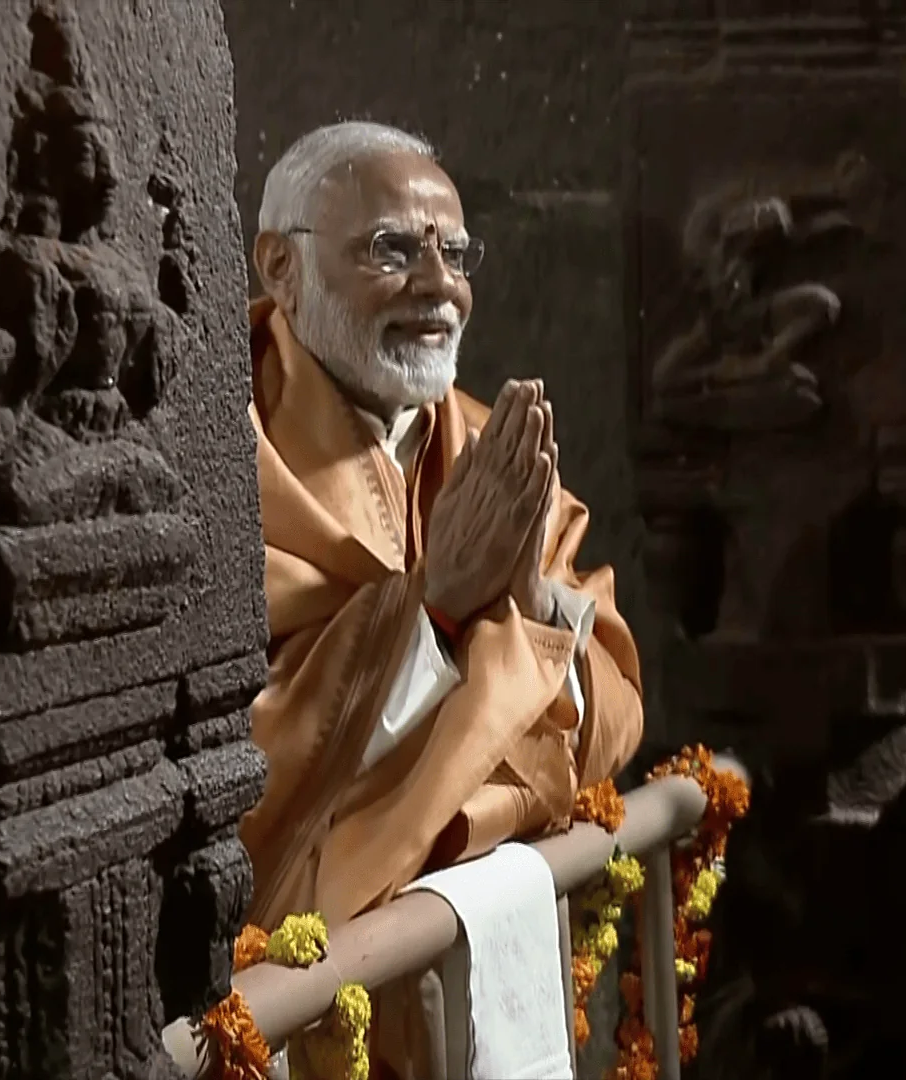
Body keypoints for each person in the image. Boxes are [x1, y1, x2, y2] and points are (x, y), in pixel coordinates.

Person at [239, 121, 645, 1073]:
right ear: (280, 267)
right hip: (305, 1011)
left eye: (454, 253)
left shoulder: (488, 449)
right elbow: (249, 786)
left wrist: (521, 612)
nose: (439, 286)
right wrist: (440, 621)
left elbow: (615, 712)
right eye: (392, 249)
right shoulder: (220, 457)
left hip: (467, 985)